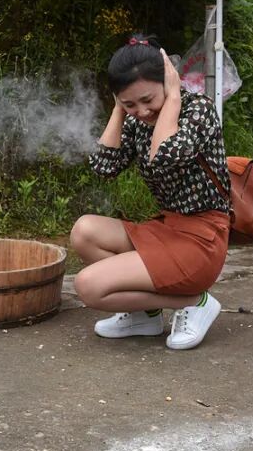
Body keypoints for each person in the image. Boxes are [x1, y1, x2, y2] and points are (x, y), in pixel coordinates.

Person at [70, 37, 231, 350]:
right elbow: (104, 167)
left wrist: (173, 99)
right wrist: (119, 110)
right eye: (130, 103)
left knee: (88, 286)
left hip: (202, 239)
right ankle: (145, 314)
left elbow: (165, 155)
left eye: (147, 99)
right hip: (167, 228)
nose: (142, 111)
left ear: (167, 81)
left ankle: (195, 302)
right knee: (84, 231)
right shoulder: (136, 120)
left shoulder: (198, 110)